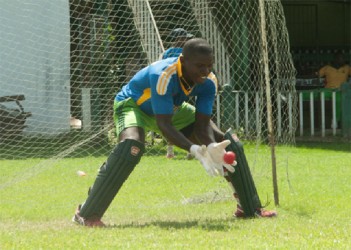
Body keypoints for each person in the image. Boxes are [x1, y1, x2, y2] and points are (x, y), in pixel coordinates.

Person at [72, 38, 276, 227]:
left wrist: (212, 147)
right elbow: (164, 126)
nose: (205, 71)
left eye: (209, 65)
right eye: (199, 66)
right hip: (134, 105)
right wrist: (195, 149)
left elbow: (202, 125)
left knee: (227, 143)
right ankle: (86, 213)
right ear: (184, 61)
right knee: (131, 147)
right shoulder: (163, 75)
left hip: (171, 109)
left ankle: (249, 207)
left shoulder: (209, 81)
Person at [161, 28, 194, 158]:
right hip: (184, 87)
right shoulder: (187, 53)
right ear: (179, 39)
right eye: (184, 38)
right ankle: (190, 149)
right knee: (188, 119)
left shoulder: (167, 53)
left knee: (169, 119)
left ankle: (170, 151)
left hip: (168, 87)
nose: (186, 40)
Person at [317, 52, 351, 127]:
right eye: (339, 58)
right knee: (316, 94)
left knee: (338, 99)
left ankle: (335, 121)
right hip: (328, 90)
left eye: (342, 58)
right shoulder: (327, 68)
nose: (341, 60)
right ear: (335, 59)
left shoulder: (347, 67)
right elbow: (317, 75)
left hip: (340, 91)